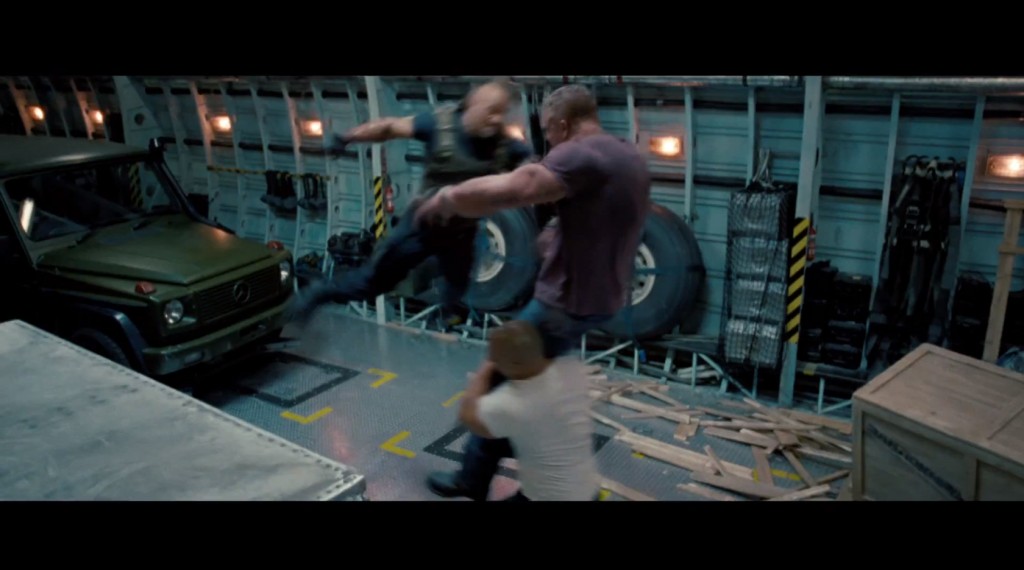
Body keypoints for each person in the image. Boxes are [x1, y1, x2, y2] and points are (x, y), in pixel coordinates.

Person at [418, 83, 652, 500]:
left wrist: (448, 198)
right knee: (540, 388)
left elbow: (518, 187)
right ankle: (526, 461)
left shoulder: (578, 153)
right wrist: (558, 229)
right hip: (603, 300)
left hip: (563, 302)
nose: (549, 140)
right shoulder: (627, 155)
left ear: (562, 124)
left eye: (548, 130)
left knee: (499, 378)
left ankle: (475, 480)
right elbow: (604, 214)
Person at [287, 80, 535, 328]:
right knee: (371, 283)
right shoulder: (440, 125)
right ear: (473, 103)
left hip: (460, 234)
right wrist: (347, 137)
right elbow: (389, 127)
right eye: (491, 111)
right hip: (421, 226)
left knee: (456, 291)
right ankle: (320, 293)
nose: (496, 119)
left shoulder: (505, 146)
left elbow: (537, 171)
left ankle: (445, 317)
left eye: (502, 113)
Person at [457, 320, 600, 501]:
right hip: (587, 490)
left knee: (485, 437)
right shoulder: (570, 369)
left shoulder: (512, 401)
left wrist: (486, 368)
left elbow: (467, 416)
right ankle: (472, 481)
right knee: (494, 442)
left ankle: (470, 483)